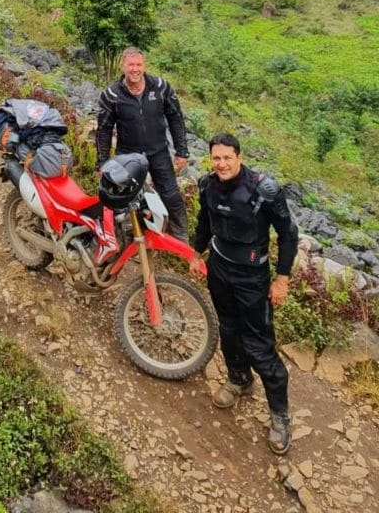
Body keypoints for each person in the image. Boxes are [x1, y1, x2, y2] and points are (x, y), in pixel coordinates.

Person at [189, 132, 298, 456]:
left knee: (259, 344)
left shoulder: (264, 190)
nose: (221, 163)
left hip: (252, 275)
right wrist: (197, 254)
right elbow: (204, 222)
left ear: (239, 157)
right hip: (220, 268)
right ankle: (238, 379)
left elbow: (288, 234)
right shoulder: (208, 185)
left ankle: (279, 415)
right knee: (228, 330)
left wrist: (282, 279)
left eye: (227, 157)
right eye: (216, 158)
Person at [95, 47, 190, 242]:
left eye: (138, 65)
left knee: (171, 195)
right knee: (126, 198)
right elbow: (104, 129)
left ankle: (180, 239)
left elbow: (175, 118)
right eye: (131, 65)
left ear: (144, 65)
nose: (135, 69)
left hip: (158, 151)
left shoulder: (161, 87)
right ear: (123, 66)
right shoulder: (112, 95)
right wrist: (102, 162)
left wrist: (182, 151)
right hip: (128, 154)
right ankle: (130, 239)